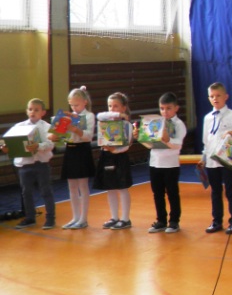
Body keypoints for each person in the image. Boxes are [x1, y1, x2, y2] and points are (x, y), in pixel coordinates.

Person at [1, 98, 56, 229]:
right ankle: (30, 217)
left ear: (43, 112)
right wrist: (5, 147)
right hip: (24, 165)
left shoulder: (47, 127)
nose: (33, 112)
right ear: (26, 111)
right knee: (26, 192)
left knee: (46, 191)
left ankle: (50, 218)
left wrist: (38, 146)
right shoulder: (18, 127)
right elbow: (8, 143)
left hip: (41, 164)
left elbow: (50, 144)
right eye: (30, 109)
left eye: (36, 110)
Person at [201, 82, 232, 234]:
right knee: (215, 191)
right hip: (211, 160)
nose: (215, 99)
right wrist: (204, 157)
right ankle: (216, 221)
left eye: (218, 95)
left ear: (226, 97)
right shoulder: (207, 118)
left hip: (227, 158)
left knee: (230, 191)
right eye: (212, 96)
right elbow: (206, 140)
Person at [141, 92, 186, 233]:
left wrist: (167, 139)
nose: (165, 112)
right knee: (157, 193)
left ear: (176, 108)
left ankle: (174, 221)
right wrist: (141, 138)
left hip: (171, 164)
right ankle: (161, 220)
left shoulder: (179, 124)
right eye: (162, 108)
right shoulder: (156, 123)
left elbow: (177, 145)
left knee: (172, 193)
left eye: (168, 108)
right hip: (155, 163)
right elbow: (150, 145)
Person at [52, 87, 95, 229]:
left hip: (82, 150)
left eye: (76, 105)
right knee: (71, 185)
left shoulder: (89, 116)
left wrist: (75, 129)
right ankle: (75, 217)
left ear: (84, 102)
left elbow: (88, 136)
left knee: (83, 185)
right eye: (71, 105)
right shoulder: (68, 116)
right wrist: (57, 133)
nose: (74, 108)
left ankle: (83, 218)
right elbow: (59, 137)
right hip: (70, 150)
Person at [95, 92, 134, 230]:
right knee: (110, 188)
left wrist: (114, 150)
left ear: (124, 108)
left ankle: (125, 219)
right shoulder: (105, 122)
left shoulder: (126, 124)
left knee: (122, 188)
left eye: (116, 106)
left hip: (119, 157)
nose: (112, 109)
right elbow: (99, 115)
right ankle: (114, 217)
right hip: (107, 156)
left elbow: (126, 145)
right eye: (110, 106)